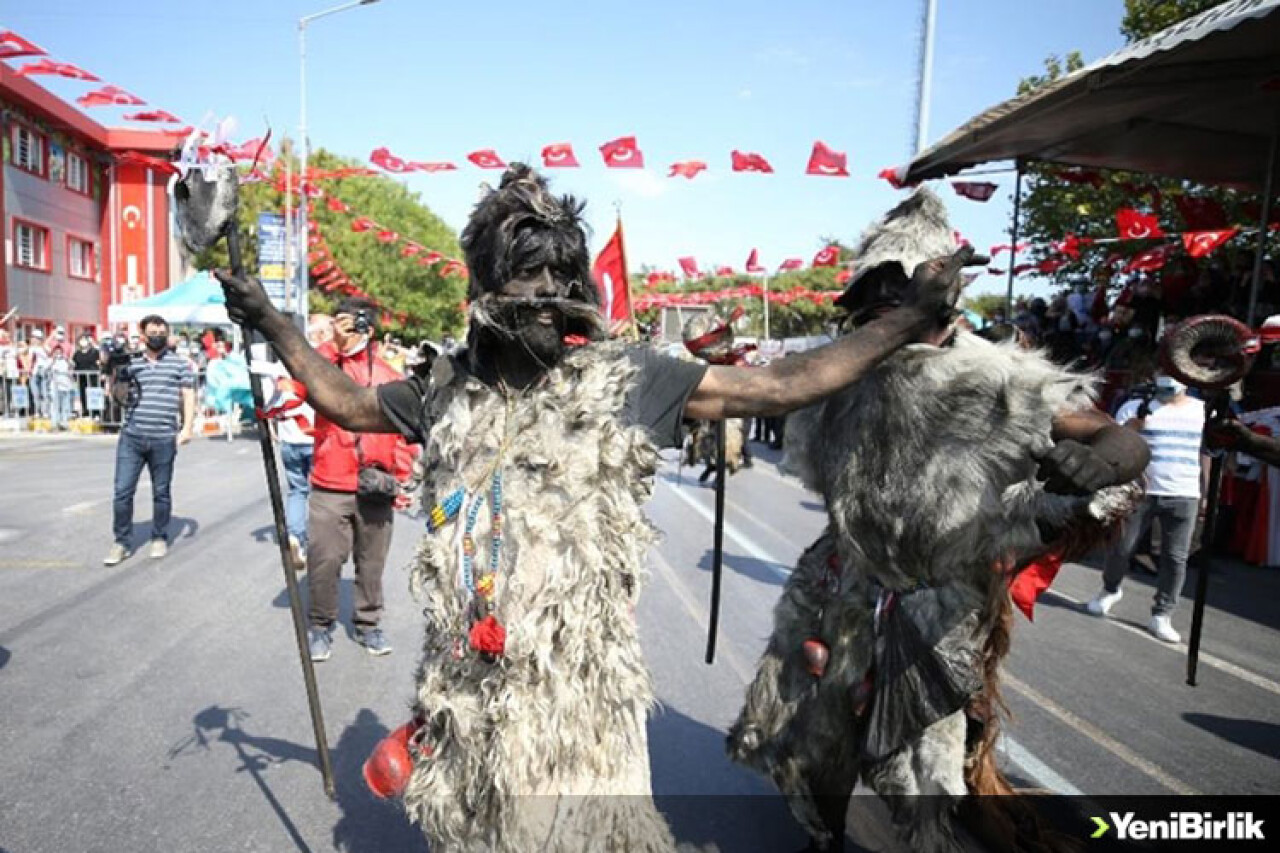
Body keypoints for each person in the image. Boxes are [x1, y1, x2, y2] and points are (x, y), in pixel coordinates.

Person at [215, 163, 990, 852]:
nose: (555, 304)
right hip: (468, 689)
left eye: (564, 284)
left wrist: (909, 319)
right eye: (533, 286)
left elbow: (784, 383)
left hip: (581, 708)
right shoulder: (446, 386)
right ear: (487, 292)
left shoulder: (630, 379)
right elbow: (346, 403)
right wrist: (269, 316)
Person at [728, 189, 1149, 852]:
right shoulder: (841, 372)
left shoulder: (994, 372)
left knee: (929, 764)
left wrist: (1103, 458)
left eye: (906, 298)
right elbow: (764, 391)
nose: (890, 316)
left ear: (943, 303)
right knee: (814, 729)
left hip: (939, 595)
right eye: (879, 300)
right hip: (841, 576)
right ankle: (823, 829)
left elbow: (1114, 437)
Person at [298, 299, 415, 661]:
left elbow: (401, 433)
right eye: (337, 322)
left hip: (376, 485)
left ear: (369, 328)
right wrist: (333, 343)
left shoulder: (390, 376)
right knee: (324, 560)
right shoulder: (326, 368)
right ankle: (321, 625)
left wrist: (401, 479)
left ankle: (368, 625)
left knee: (372, 564)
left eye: (349, 324)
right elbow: (304, 374)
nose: (342, 329)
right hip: (330, 483)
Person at [1087, 373, 1207, 643]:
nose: (1168, 380)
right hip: (1140, 492)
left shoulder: (1202, 412)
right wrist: (1133, 427)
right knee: (1121, 548)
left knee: (1175, 558)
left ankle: (1162, 614)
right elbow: (1114, 446)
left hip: (1184, 493)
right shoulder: (1135, 407)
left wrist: (1207, 491)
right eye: (1163, 373)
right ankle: (1110, 589)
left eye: (1175, 375)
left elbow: (1205, 454)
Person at [103, 315, 196, 566]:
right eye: (152, 332)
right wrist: (115, 375)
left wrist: (187, 428)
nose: (157, 335)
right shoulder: (132, 363)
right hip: (132, 436)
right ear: (143, 336)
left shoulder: (179, 364)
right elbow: (115, 391)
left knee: (161, 492)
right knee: (122, 492)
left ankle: (159, 536)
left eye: (161, 331)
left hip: (164, 437)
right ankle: (121, 541)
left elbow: (188, 395)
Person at [73, 334, 101, 417]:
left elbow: (99, 362)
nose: (83, 342)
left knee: (93, 395)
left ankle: (96, 413)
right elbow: (74, 363)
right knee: (83, 395)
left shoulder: (95, 352)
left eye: (84, 339)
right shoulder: (77, 353)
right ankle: (86, 412)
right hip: (81, 378)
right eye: (81, 340)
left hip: (92, 377)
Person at [47, 347, 75, 430]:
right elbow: (46, 368)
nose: (58, 354)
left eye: (60, 352)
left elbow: (73, 365)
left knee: (65, 406)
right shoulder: (50, 360)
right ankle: (55, 423)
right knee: (55, 406)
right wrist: (53, 360)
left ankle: (64, 423)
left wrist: (67, 359)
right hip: (55, 387)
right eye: (56, 352)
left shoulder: (65, 361)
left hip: (65, 386)